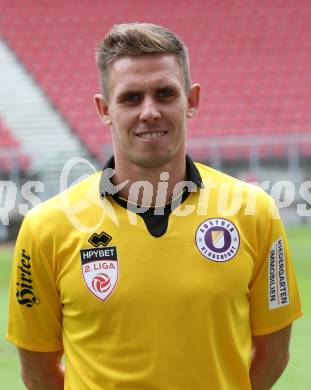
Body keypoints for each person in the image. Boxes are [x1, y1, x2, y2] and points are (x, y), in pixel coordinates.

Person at [7, 23, 302, 390]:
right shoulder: (45, 227)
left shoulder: (254, 211)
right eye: (131, 98)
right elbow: (37, 370)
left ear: (191, 101)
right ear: (104, 109)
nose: (149, 111)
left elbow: (274, 351)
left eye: (164, 94)